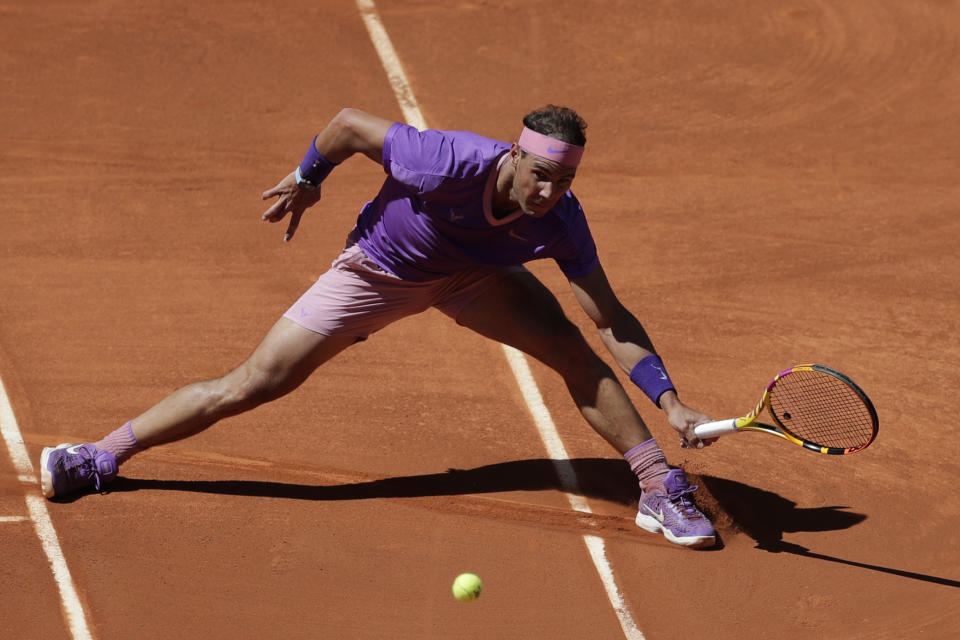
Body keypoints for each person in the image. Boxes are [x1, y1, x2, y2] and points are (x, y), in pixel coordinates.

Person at [39, 105, 717, 548]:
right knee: (253, 384)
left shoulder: (561, 221)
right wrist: (309, 177)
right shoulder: (447, 159)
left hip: (474, 279)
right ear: (515, 156)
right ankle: (99, 456)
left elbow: (611, 317)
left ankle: (657, 485)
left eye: (562, 183)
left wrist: (671, 400)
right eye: (541, 176)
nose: (548, 193)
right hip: (379, 273)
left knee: (573, 350)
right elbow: (347, 127)